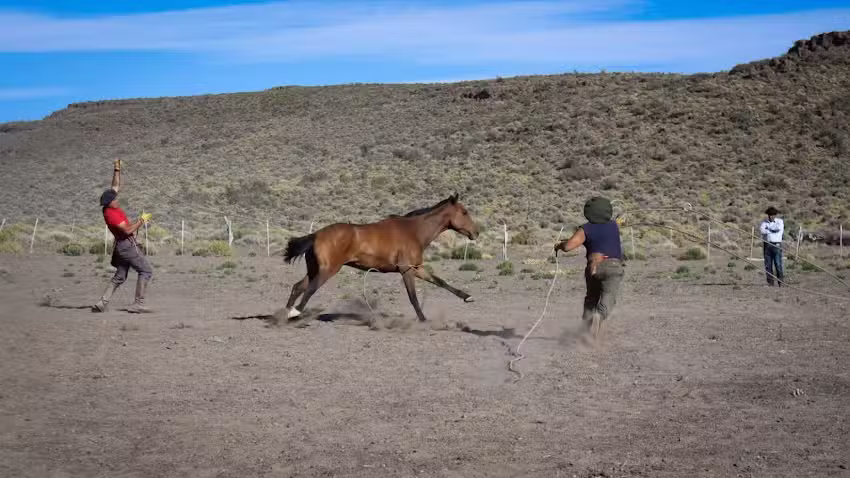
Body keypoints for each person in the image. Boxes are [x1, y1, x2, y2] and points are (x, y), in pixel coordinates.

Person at [554, 197, 625, 340]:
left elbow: (568, 247)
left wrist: (559, 245)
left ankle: (585, 330)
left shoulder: (585, 229)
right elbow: (621, 221)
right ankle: (600, 315)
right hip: (613, 266)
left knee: (591, 299)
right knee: (609, 296)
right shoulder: (614, 225)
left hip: (593, 267)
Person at [92, 160, 154, 313]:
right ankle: (138, 304)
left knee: (120, 276)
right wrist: (142, 220)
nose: (117, 200)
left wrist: (117, 169)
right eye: (115, 200)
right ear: (109, 203)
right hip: (127, 246)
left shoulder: (109, 207)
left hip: (120, 248)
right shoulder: (111, 214)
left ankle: (102, 302)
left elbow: (115, 186)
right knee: (146, 271)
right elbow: (127, 230)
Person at [759, 206, 784, 287]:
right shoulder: (764, 222)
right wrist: (771, 230)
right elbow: (762, 230)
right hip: (767, 245)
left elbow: (778, 228)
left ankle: (781, 282)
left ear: (775, 215)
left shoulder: (780, 222)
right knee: (768, 265)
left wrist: (768, 229)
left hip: (777, 245)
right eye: (769, 215)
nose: (771, 216)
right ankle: (770, 282)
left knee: (778, 263)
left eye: (772, 215)